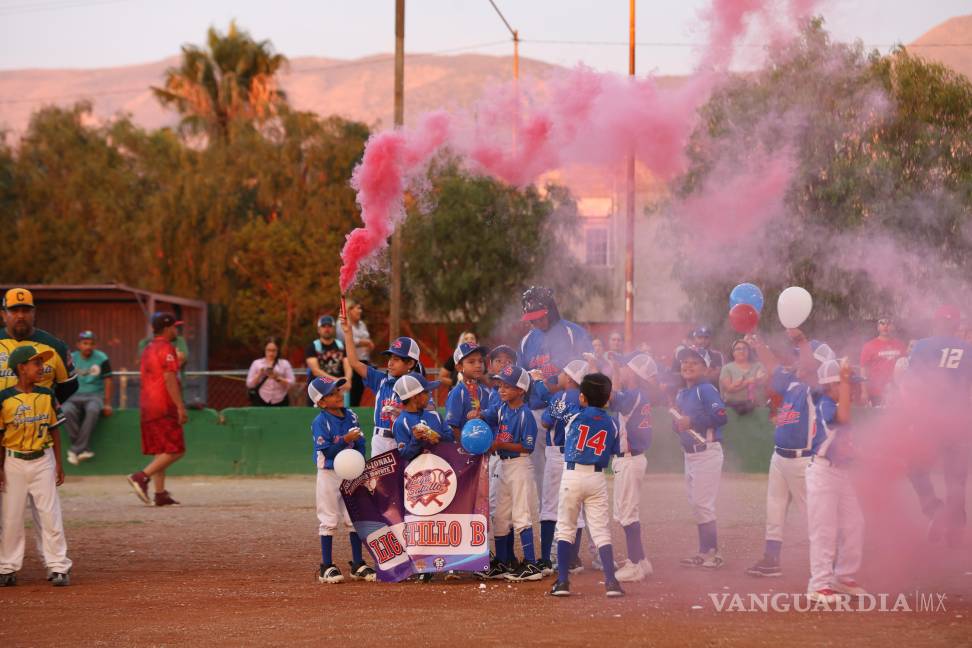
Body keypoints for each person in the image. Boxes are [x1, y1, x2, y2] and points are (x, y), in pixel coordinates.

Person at [745, 331, 832, 577]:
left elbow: (811, 369)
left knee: (812, 514)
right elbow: (773, 367)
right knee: (774, 508)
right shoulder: (792, 380)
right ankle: (771, 559)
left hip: (803, 459)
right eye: (798, 357)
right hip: (780, 457)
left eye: (804, 358)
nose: (799, 362)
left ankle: (828, 564)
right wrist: (758, 344)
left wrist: (803, 342)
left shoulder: (819, 386)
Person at [0, 345, 72, 587]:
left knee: (50, 515)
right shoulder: (4, 398)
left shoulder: (47, 395)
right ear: (22, 368)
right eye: (36, 363)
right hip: (13, 461)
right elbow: (0, 435)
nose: (42, 367)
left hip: (43, 460)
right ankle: (7, 567)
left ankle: (58, 566)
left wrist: (59, 463)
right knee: (11, 518)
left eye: (42, 363)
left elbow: (55, 430)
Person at [549, 373, 623, 598]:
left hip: (573, 475)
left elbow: (553, 409)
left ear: (582, 397)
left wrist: (546, 386)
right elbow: (614, 449)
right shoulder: (613, 422)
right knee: (601, 530)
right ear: (608, 398)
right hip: (597, 478)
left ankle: (563, 582)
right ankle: (611, 582)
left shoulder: (574, 414)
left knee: (566, 528)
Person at [905, 305, 972, 547]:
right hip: (959, 421)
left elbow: (912, 383)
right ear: (956, 325)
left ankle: (935, 509)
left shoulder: (923, 346)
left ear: (936, 323)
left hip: (929, 420)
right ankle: (955, 531)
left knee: (915, 467)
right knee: (956, 479)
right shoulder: (968, 349)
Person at [805, 359, 868, 604]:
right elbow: (841, 419)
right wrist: (843, 381)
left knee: (855, 524)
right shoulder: (825, 403)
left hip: (841, 473)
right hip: (822, 473)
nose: (851, 389)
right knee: (824, 530)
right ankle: (819, 584)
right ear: (832, 385)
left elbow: (846, 447)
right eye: (846, 385)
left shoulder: (836, 403)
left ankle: (843, 576)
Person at [307, 375, 376, 584]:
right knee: (329, 518)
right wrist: (345, 440)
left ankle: (358, 564)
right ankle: (326, 566)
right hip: (329, 473)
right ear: (321, 402)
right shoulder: (320, 422)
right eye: (331, 394)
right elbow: (327, 452)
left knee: (353, 517)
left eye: (338, 390)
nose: (338, 395)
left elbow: (361, 443)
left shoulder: (351, 415)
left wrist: (361, 463)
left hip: (351, 472)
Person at [671, 347, 729, 569]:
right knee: (696, 505)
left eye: (694, 362)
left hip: (707, 451)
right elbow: (680, 425)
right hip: (690, 454)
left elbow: (721, 416)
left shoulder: (706, 389)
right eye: (685, 362)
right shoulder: (682, 393)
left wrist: (692, 421)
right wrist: (677, 423)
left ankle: (713, 553)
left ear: (705, 369)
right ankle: (704, 551)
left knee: (703, 504)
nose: (688, 365)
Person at [482, 365, 540, 582]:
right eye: (500, 386)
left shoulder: (526, 414)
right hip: (504, 465)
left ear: (521, 390)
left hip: (520, 465)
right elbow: (486, 416)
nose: (501, 390)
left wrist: (500, 444)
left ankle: (531, 564)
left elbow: (528, 446)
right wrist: (476, 414)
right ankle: (502, 562)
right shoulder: (501, 409)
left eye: (507, 386)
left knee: (521, 514)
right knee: (500, 516)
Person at [532, 359, 589, 575]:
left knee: (549, 506)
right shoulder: (585, 397)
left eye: (564, 373)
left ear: (571, 379)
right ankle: (573, 558)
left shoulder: (563, 396)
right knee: (576, 506)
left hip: (558, 454)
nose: (561, 376)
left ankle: (547, 558)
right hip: (578, 454)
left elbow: (546, 422)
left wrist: (541, 386)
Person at [126, 312, 187, 507]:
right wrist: (180, 406)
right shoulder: (167, 347)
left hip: (147, 405)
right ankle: (141, 476)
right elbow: (169, 378)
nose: (176, 330)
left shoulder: (148, 348)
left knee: (162, 449)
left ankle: (160, 494)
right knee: (177, 450)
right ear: (167, 328)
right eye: (175, 326)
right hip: (163, 405)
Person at [609, 352, 660, 583]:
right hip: (631, 459)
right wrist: (617, 369)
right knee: (628, 513)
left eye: (626, 367)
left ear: (634, 373)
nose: (623, 369)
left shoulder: (633, 395)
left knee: (627, 515)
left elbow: (611, 398)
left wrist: (612, 369)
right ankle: (641, 560)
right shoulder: (638, 394)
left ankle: (634, 565)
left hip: (630, 459)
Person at [341, 315, 422, 458]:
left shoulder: (417, 388)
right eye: (390, 358)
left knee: (403, 472)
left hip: (404, 439)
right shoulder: (380, 380)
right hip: (380, 440)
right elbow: (353, 362)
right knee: (379, 474)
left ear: (410, 363)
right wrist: (348, 333)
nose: (390, 362)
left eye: (396, 359)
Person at [0, 288, 77, 403]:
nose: (20, 316)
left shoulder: (56, 346)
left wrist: (46, 405)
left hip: (40, 414)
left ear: (34, 313)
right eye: (14, 310)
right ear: (3, 315)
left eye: (26, 310)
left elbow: (69, 385)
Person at [62, 330, 113, 465]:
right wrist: (60, 399)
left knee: (93, 410)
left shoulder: (102, 357)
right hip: (73, 395)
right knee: (65, 411)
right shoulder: (70, 358)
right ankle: (82, 449)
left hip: (94, 395)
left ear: (95, 345)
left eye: (91, 344)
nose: (88, 346)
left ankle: (75, 449)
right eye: (85, 343)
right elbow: (62, 379)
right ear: (78, 344)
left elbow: (108, 380)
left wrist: (107, 403)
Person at [391, 373, 450, 462]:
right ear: (415, 397)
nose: (429, 395)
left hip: (442, 467)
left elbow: (451, 438)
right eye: (426, 392)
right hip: (417, 469)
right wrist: (416, 440)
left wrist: (438, 436)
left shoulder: (435, 415)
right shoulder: (400, 422)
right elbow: (404, 455)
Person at [444, 342, 490, 439]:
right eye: (472, 362)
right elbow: (452, 427)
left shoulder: (486, 391)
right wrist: (465, 444)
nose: (478, 365)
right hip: (464, 446)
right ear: (459, 367)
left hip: (485, 444)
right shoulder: (457, 393)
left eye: (481, 361)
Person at [859, 317, 907, 406]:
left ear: (892, 327)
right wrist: (864, 391)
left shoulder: (900, 345)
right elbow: (863, 370)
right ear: (878, 327)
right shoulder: (868, 346)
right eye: (882, 323)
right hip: (876, 393)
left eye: (888, 324)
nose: (885, 326)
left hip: (896, 392)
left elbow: (905, 368)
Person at [335, 300, 374, 406]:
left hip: (363, 361)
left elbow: (367, 340)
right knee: (349, 391)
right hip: (349, 362)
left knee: (359, 391)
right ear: (349, 310)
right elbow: (345, 340)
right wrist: (365, 342)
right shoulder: (341, 323)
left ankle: (354, 411)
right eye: (358, 308)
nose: (360, 311)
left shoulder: (362, 324)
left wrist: (367, 345)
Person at [305, 315, 350, 405]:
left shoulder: (341, 346)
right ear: (318, 330)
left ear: (334, 329)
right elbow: (315, 371)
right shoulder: (312, 347)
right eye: (324, 326)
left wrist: (348, 379)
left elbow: (348, 365)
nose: (327, 329)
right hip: (318, 389)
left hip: (337, 389)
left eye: (329, 326)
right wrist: (336, 380)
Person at [719, 339, 767, 415]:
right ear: (733, 352)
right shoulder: (727, 368)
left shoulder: (758, 365)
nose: (742, 351)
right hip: (734, 409)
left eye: (745, 348)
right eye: (738, 349)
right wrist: (748, 381)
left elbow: (763, 382)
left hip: (757, 407)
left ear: (749, 351)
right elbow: (729, 389)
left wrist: (738, 384)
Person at [245, 337, 295, 407]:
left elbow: (292, 383)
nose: (271, 353)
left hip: (280, 399)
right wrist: (259, 374)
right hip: (261, 399)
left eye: (274, 350)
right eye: (268, 350)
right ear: (264, 350)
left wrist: (277, 378)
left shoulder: (284, 363)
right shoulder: (256, 363)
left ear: (278, 350)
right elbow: (249, 384)